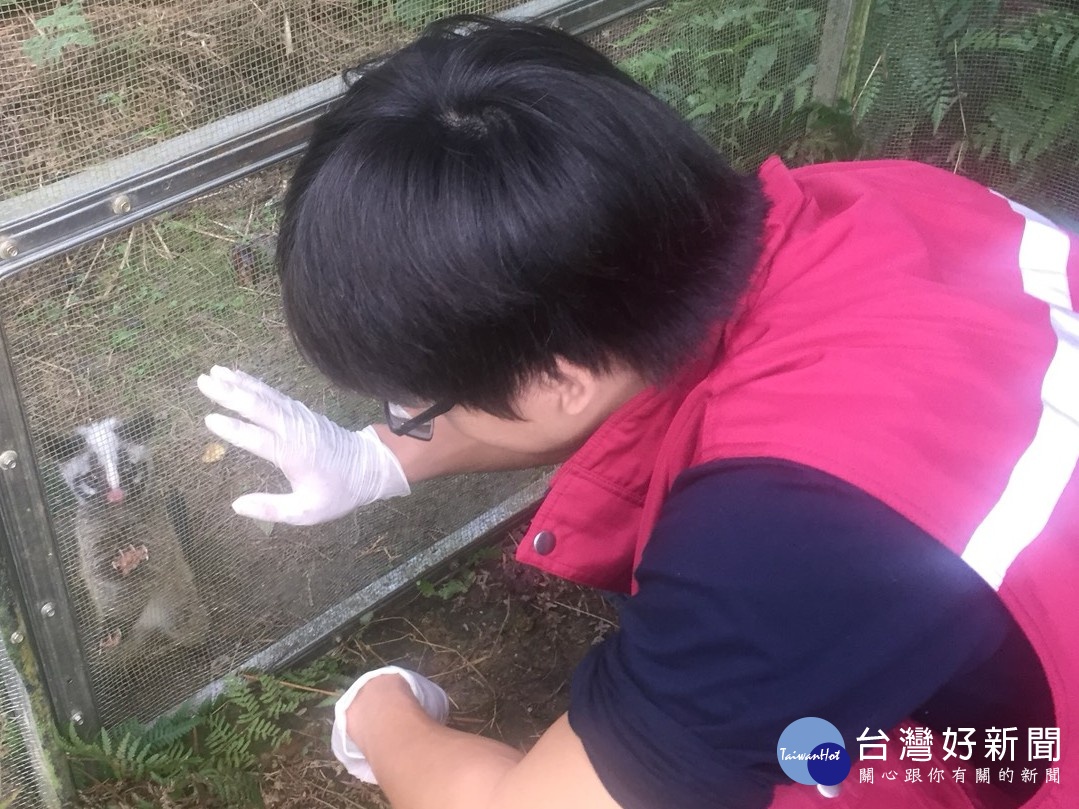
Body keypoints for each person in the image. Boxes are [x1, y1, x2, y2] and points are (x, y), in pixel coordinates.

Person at [196, 15, 1078, 809]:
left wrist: (376, 716)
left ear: (556, 377)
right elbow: (605, 393)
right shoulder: (867, 203)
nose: (409, 418)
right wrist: (383, 458)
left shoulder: (787, 541)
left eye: (415, 402)